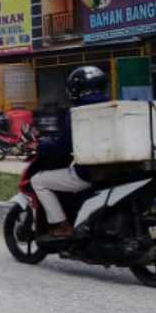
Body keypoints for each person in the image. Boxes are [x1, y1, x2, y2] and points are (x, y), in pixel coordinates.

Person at [30, 65, 109, 237]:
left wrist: (41, 146)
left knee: (38, 181)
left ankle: (62, 225)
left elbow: (63, 146)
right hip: (120, 172)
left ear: (75, 90)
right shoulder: (113, 107)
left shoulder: (77, 113)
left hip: (90, 173)